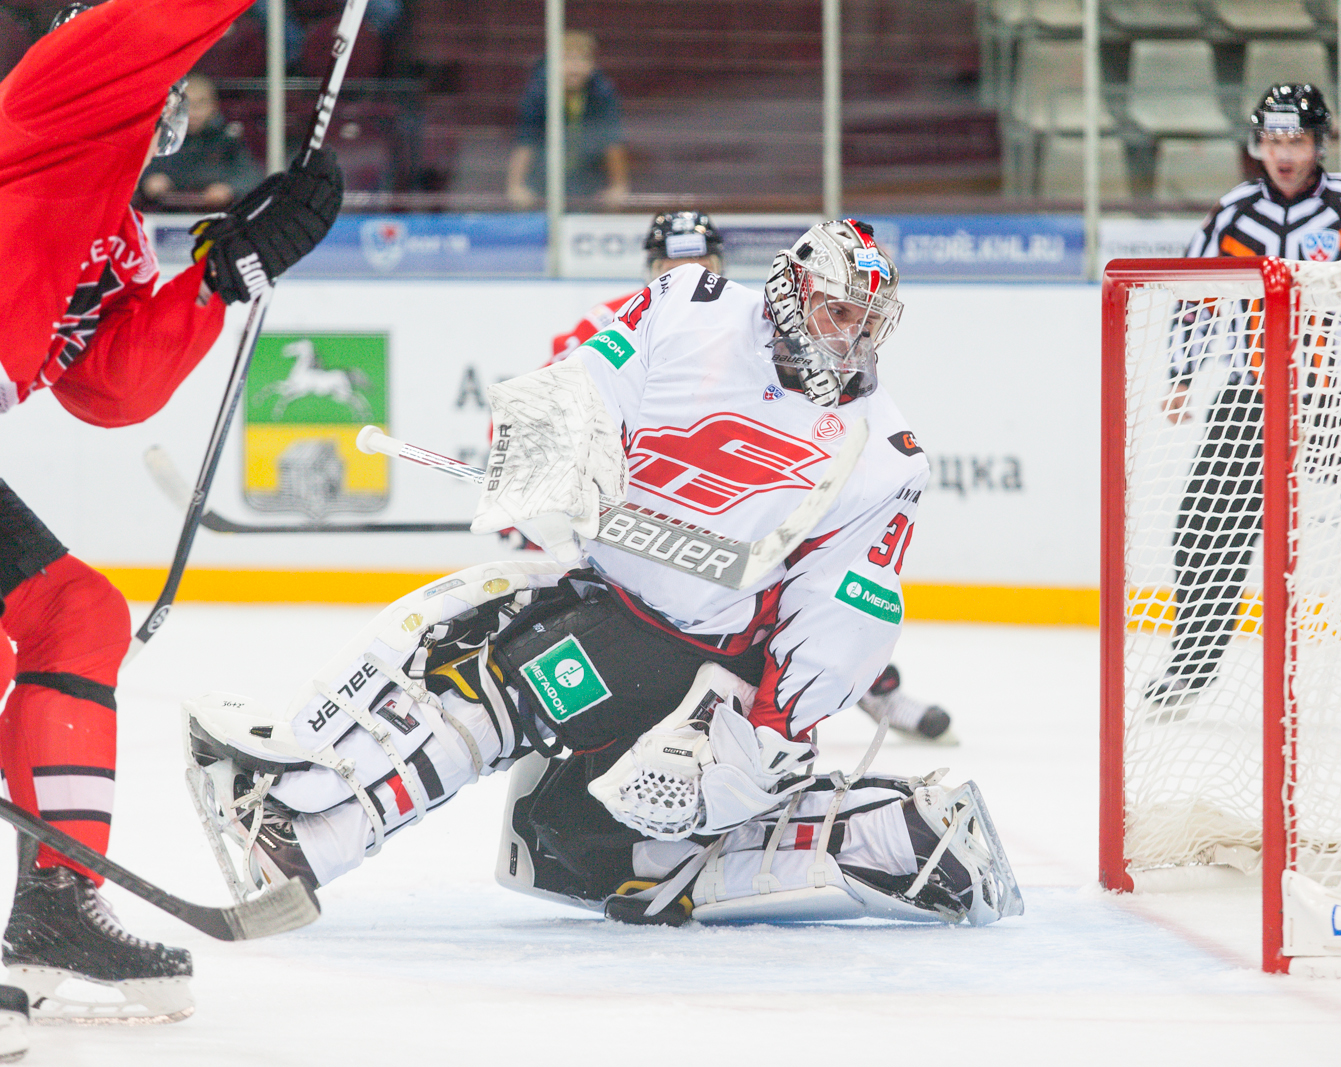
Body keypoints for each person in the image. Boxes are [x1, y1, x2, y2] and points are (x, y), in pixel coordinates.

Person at [186, 220, 1021, 930]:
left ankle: (307, 846)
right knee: (486, 701)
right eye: (840, 312)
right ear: (792, 289)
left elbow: (846, 614)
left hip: (695, 660)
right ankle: (302, 788)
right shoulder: (686, 308)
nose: (854, 338)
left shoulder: (885, 451)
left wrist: (767, 733)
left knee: (500, 689)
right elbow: (583, 383)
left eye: (870, 324)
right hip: (608, 591)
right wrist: (562, 459)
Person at [0, 0, 342, 1033]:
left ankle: (55, 907)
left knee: (78, 617)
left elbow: (106, 388)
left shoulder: (107, 212)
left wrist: (226, 271)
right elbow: (154, 20)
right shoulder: (48, 107)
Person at [544, 209, 956, 743]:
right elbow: (558, 401)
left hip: (715, 537)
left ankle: (876, 691)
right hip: (628, 518)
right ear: (651, 265)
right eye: (674, 259)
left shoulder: (741, 328)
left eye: (702, 259)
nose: (688, 267)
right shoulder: (632, 318)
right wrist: (548, 481)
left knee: (808, 592)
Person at [1146, 84, 1341, 720]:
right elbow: (1196, 295)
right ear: (1256, 144)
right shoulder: (1234, 213)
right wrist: (1183, 374)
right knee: (1203, 527)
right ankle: (1189, 668)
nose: (1284, 153)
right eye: (1273, 140)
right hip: (1252, 396)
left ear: (1320, 142)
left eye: (1296, 140)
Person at [505, 30, 627, 208]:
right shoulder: (539, 91)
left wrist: (619, 186)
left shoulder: (601, 91)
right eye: (567, 59)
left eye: (583, 60)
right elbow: (526, 140)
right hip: (543, 181)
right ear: (551, 64)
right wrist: (515, 186)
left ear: (592, 65)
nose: (575, 68)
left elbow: (611, 141)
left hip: (587, 181)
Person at [139, 73, 261, 209]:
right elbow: (133, 170)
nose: (193, 112)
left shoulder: (228, 139)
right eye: (186, 105)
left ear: (214, 107)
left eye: (200, 104)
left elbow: (250, 176)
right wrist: (147, 180)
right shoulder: (160, 137)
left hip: (214, 215)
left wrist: (230, 189)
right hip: (163, 214)